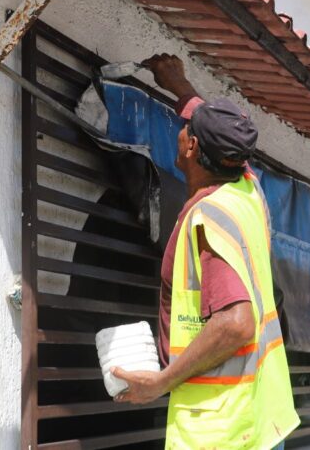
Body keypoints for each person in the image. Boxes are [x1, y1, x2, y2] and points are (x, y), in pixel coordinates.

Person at [112, 54, 299, 450]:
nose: (179, 132)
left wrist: (160, 383)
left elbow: (236, 323)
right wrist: (180, 86)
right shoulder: (248, 191)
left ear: (192, 146)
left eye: (185, 130)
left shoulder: (209, 217)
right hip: (260, 416)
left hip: (224, 430)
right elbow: (227, 136)